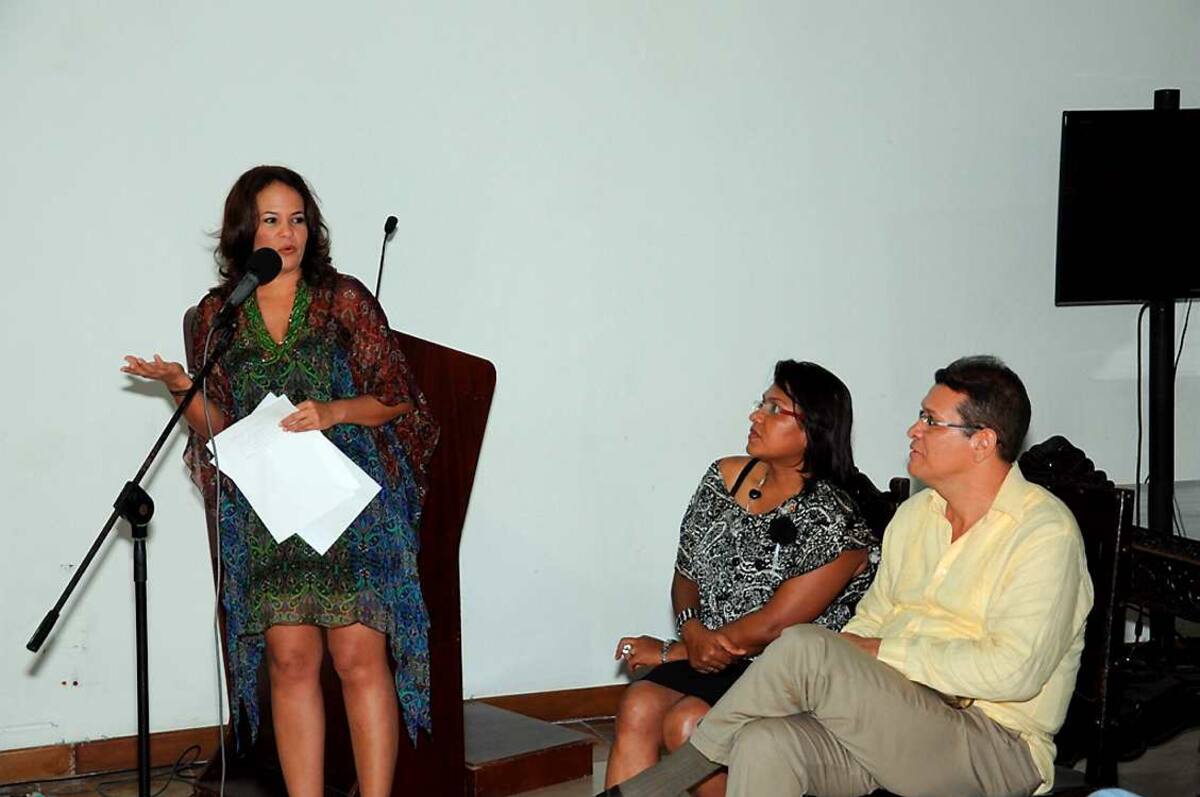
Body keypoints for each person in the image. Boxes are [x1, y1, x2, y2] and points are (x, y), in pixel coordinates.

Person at [600, 356, 1093, 797]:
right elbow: (869, 623)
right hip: (898, 717)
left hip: (993, 743)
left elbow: (1014, 671)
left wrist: (876, 655)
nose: (912, 431)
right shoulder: (917, 517)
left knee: (804, 645)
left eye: (930, 421)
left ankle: (663, 783)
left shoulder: (1044, 534)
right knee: (762, 742)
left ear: (983, 442)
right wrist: (855, 666)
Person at [122, 165, 437, 797]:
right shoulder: (219, 313)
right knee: (291, 664)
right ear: (246, 229)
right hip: (271, 513)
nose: (288, 233)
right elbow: (220, 428)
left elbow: (398, 398)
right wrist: (184, 388)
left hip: (348, 504)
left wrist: (334, 411)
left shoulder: (341, 297)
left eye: (297, 219)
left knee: (356, 660)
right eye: (272, 219)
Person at [605, 361, 881, 796]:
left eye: (774, 408)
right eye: (761, 404)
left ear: (813, 429)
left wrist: (672, 651)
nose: (756, 415)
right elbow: (686, 572)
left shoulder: (837, 523)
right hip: (710, 653)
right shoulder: (724, 478)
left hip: (784, 674)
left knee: (688, 724)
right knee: (637, 705)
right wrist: (692, 631)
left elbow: (772, 628)